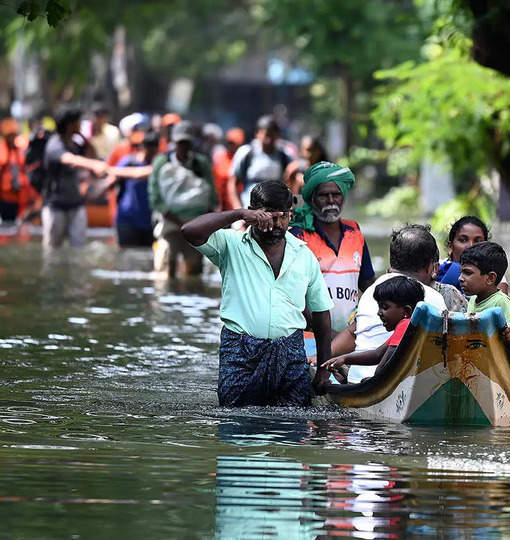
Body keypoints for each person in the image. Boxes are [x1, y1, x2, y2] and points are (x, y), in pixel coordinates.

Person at [181, 180, 335, 406]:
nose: (276, 224)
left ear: (290, 215)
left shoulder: (304, 255)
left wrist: (323, 369)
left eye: (282, 216)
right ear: (253, 215)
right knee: (237, 420)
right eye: (268, 217)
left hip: (290, 355)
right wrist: (238, 214)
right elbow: (190, 231)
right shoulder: (230, 246)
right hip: (240, 354)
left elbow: (321, 314)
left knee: (293, 428)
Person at [326, 225, 449, 383]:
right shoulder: (434, 297)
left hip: (358, 378)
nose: (379, 312)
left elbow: (368, 344)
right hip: (395, 384)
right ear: (430, 267)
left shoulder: (371, 291)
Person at [288, 161, 376, 333]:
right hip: (307, 338)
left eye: (336, 194)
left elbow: (367, 283)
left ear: (343, 196)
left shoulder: (355, 231)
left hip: (349, 337)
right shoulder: (297, 235)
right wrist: (325, 334)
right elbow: (291, 294)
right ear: (312, 198)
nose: (331, 200)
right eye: (323, 195)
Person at [320, 276, 424, 381]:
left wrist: (374, 381)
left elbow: (387, 359)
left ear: (406, 311)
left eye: (385, 307)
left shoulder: (405, 324)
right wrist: (345, 359)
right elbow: (377, 354)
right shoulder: (410, 328)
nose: (379, 313)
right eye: (379, 307)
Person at [148, 121, 217, 277]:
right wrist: (178, 221)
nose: (184, 147)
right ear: (174, 143)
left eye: (187, 143)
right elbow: (155, 197)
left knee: (194, 269)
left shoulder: (201, 164)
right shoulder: (162, 163)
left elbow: (211, 195)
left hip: (194, 224)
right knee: (166, 264)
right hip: (169, 223)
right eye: (180, 143)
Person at [41, 109, 108, 248]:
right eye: (77, 122)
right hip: (55, 206)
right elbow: (70, 160)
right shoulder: (54, 145)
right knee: (52, 250)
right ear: (70, 124)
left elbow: (93, 154)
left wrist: (83, 137)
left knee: (79, 248)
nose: (80, 125)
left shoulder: (75, 144)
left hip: (76, 204)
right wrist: (94, 165)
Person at [227, 115, 294, 209]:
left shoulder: (285, 155)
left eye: (273, 136)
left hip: (277, 212)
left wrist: (297, 210)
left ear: (278, 136)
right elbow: (232, 183)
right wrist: (238, 209)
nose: (269, 140)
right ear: (257, 134)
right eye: (266, 135)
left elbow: (295, 183)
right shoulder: (246, 152)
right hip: (249, 209)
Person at [460, 241, 510, 342]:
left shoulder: (502, 302)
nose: (460, 278)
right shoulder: (473, 300)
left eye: (467, 273)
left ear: (490, 278)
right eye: (461, 272)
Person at [109, 131, 158, 247]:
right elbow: (111, 181)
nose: (150, 155)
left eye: (153, 152)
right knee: (126, 257)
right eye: (149, 151)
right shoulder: (129, 162)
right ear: (142, 148)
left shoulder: (157, 165)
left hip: (149, 221)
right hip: (127, 220)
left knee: (147, 258)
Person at [436, 216, 490, 291]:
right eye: (463, 240)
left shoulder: (492, 277)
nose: (471, 246)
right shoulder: (435, 271)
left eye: (478, 241)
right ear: (450, 247)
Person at [213, 127, 246, 210]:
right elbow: (217, 186)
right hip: (225, 209)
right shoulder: (221, 159)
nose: (231, 146)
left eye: (234, 143)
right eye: (229, 143)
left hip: (242, 205)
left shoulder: (245, 159)